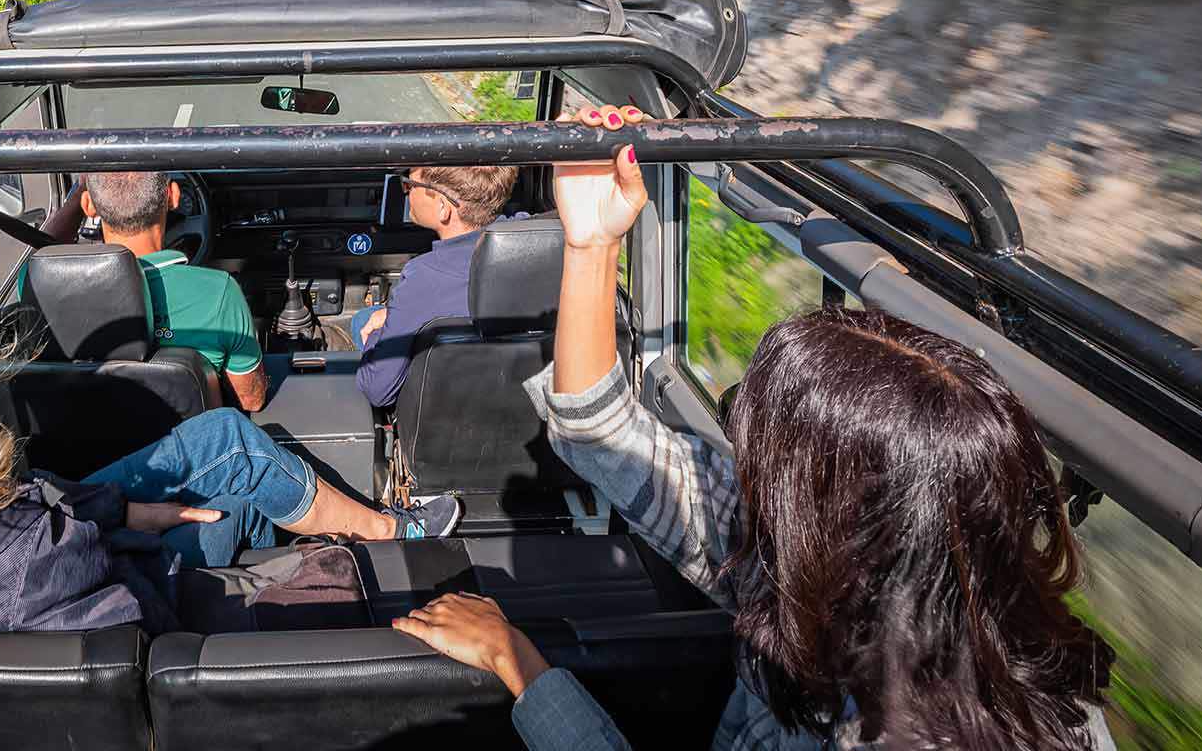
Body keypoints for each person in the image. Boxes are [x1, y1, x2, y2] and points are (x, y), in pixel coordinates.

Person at [392, 105, 1117, 750]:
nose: (742, 457)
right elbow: (594, 425)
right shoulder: (818, 564)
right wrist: (590, 242)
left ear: (822, 503)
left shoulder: (849, 693)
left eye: (763, 452)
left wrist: (516, 662)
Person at [0, 305, 461, 636]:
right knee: (239, 473)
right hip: (151, 585)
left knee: (228, 449)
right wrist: (130, 530)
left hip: (69, 536)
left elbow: (30, 517)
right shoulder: (31, 556)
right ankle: (390, 533)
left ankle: (363, 530)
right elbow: (141, 626)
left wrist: (123, 509)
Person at [82, 171, 269, 411]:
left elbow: (42, 255)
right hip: (191, 446)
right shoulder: (219, 292)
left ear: (88, 204)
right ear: (173, 195)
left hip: (89, 445)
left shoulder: (40, 284)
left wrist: (74, 200)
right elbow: (251, 400)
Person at [352, 165, 519, 408]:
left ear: (443, 207)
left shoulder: (423, 276)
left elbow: (378, 392)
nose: (406, 193)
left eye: (410, 186)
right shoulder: (533, 233)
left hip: (445, 416)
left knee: (362, 321)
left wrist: (382, 330)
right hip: (512, 388)